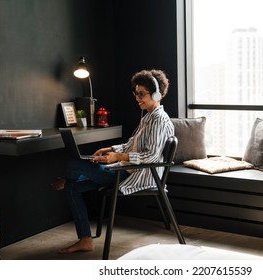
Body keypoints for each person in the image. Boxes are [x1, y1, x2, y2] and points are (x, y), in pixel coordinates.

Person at [51, 69, 174, 254]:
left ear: (156, 94)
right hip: (126, 170)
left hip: (133, 176)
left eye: (141, 94)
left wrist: (117, 157)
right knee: (72, 188)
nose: (137, 98)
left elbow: (151, 156)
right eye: (136, 93)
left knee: (72, 164)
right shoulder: (148, 117)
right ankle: (86, 240)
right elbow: (133, 146)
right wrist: (111, 149)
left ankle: (68, 178)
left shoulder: (159, 120)